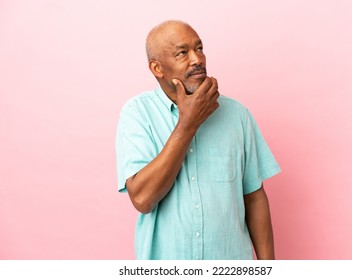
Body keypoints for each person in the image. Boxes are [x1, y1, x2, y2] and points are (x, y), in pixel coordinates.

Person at [116, 20, 281, 260]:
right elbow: (142, 199)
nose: (197, 59)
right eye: (183, 53)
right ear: (157, 68)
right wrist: (188, 123)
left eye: (200, 48)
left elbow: (254, 197)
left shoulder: (237, 115)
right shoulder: (137, 114)